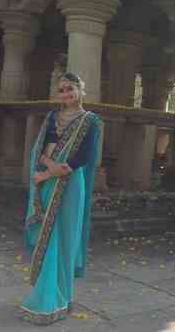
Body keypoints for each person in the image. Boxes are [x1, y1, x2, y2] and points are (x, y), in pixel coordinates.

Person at [19, 72, 103, 325]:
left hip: (70, 184)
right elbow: (42, 148)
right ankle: (45, 296)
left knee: (64, 237)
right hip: (48, 180)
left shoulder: (91, 121)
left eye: (70, 89)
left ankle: (62, 297)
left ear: (80, 89)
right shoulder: (52, 117)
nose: (66, 95)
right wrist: (46, 170)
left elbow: (84, 157)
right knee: (48, 234)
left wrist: (52, 172)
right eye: (62, 91)